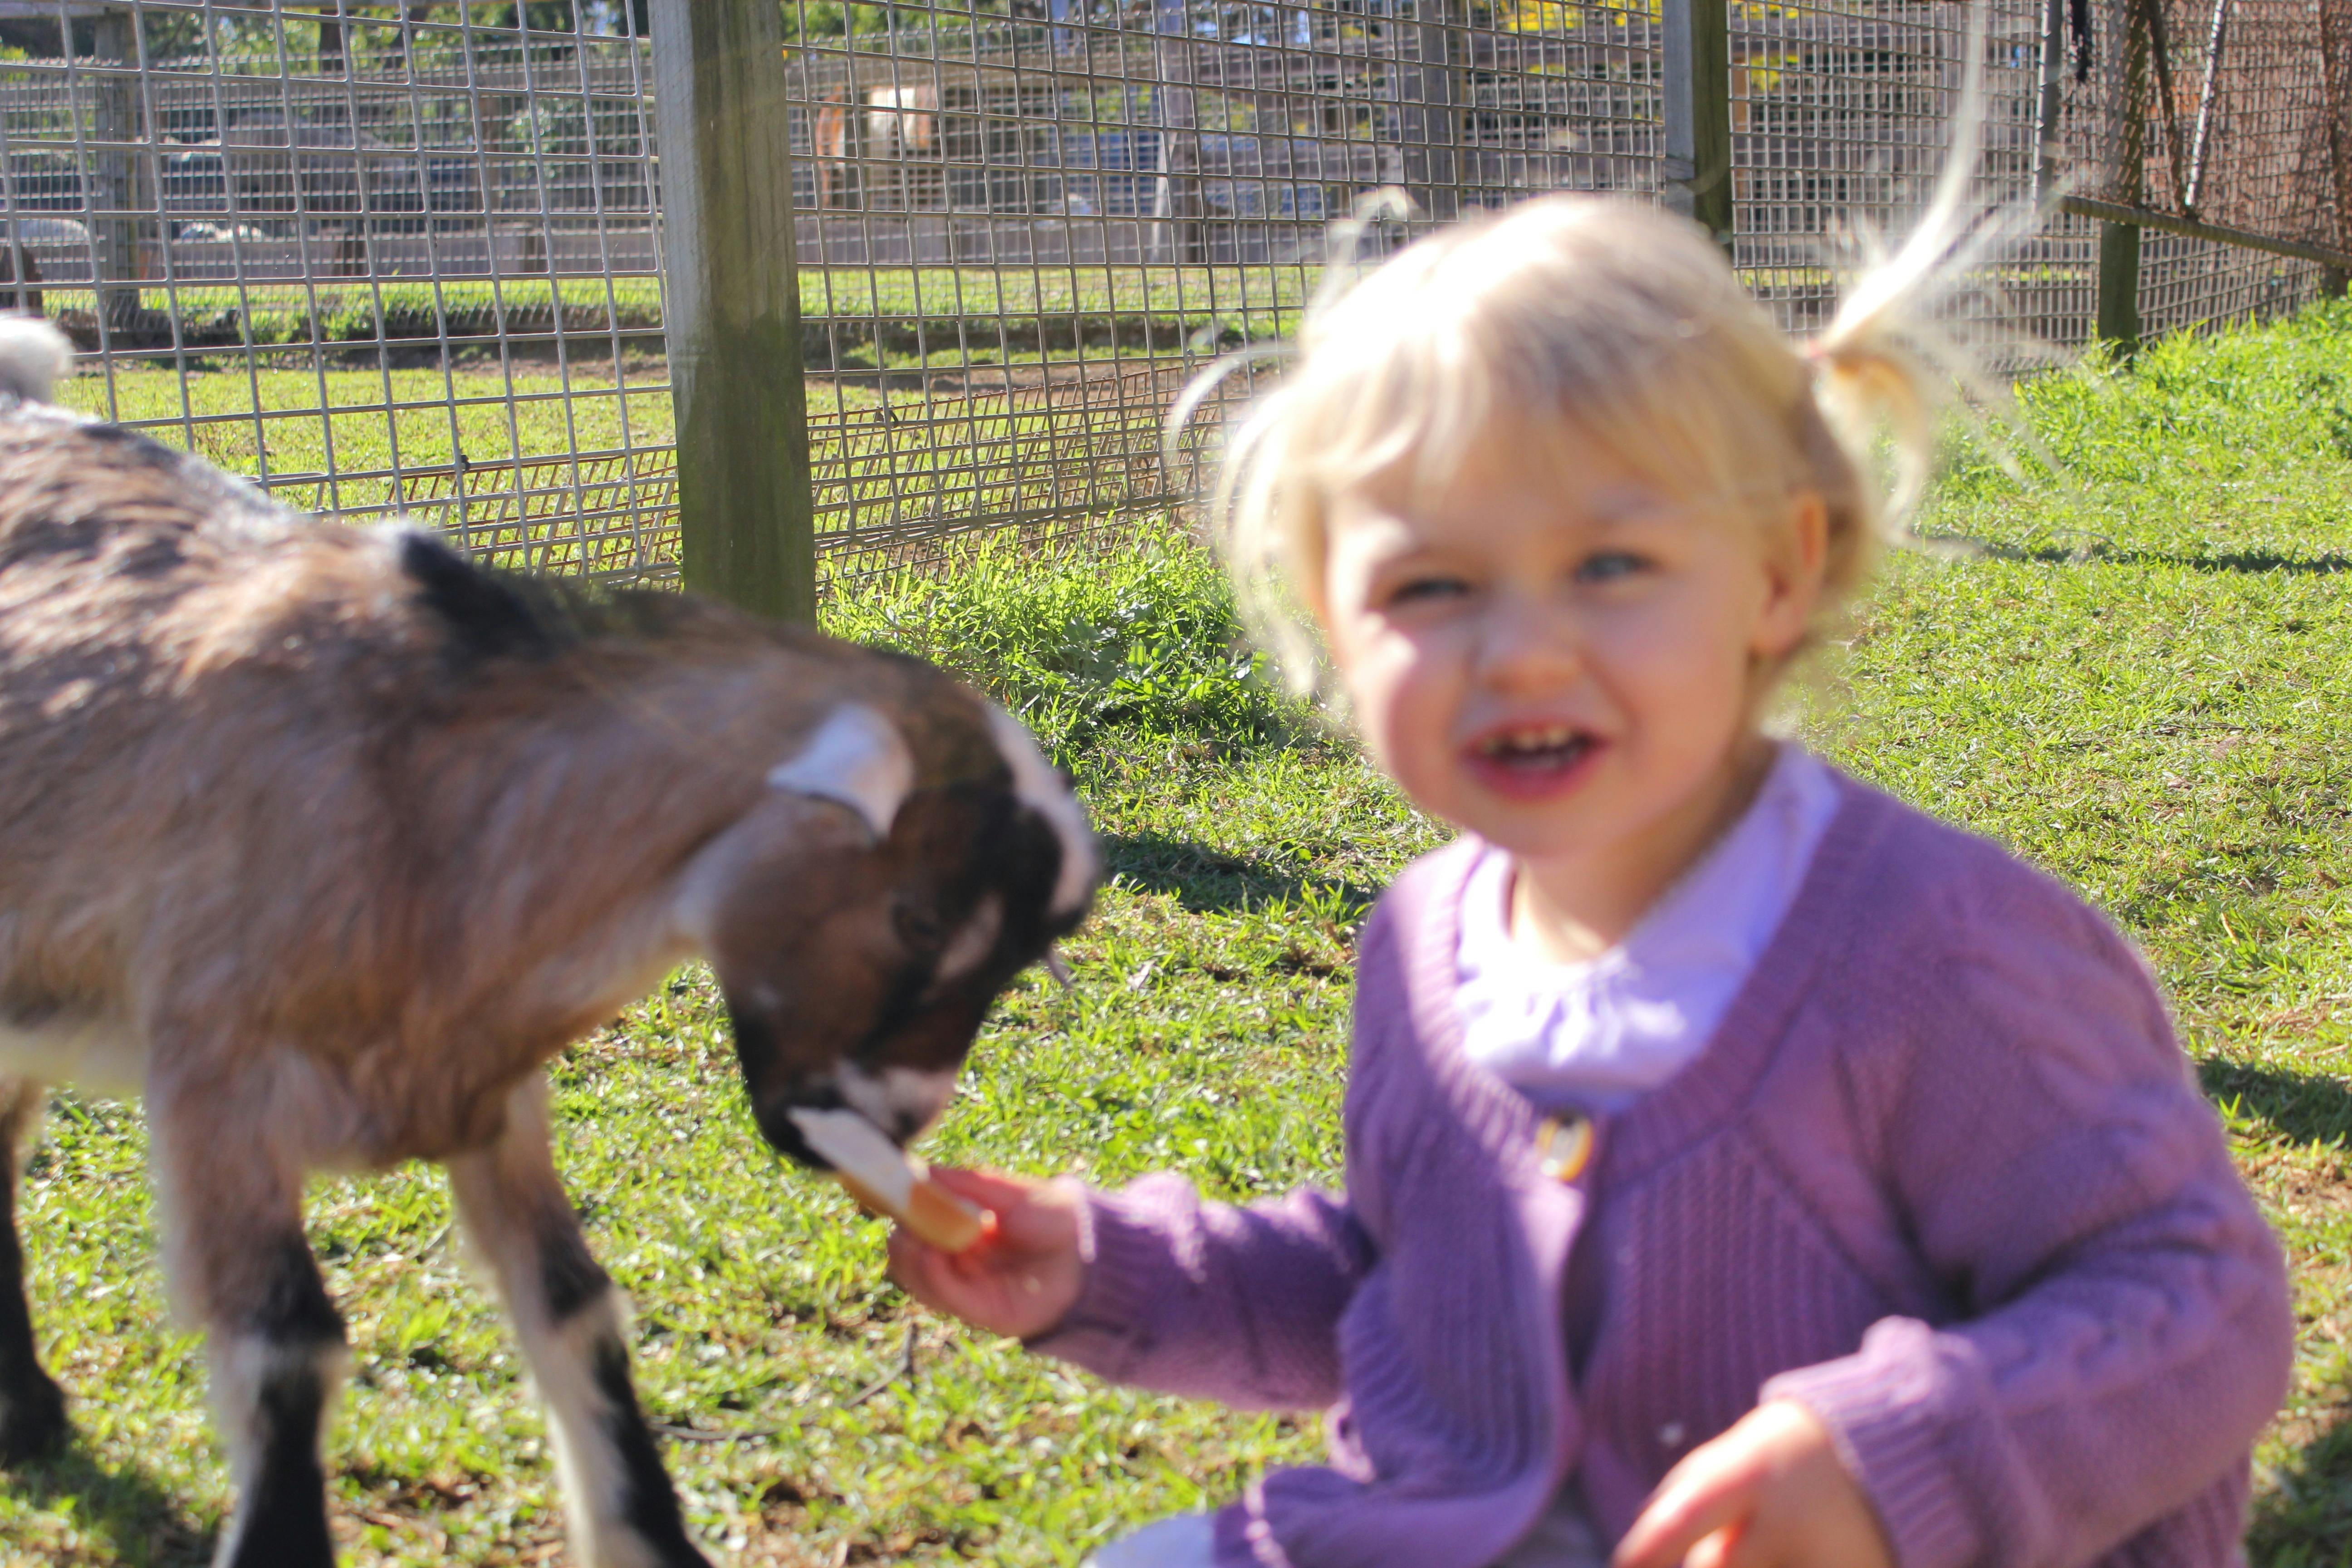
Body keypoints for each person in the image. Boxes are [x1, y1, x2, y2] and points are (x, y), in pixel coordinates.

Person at [885, 173, 2295, 1568]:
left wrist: (1887, 1464)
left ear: (1779, 573)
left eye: (1612, 564)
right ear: (1335, 619)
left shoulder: (1932, 951)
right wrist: (1111, 1267)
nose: (1522, 652)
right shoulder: (1422, 947)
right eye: (1430, 587)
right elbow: (1409, 1289)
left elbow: (2200, 1306)